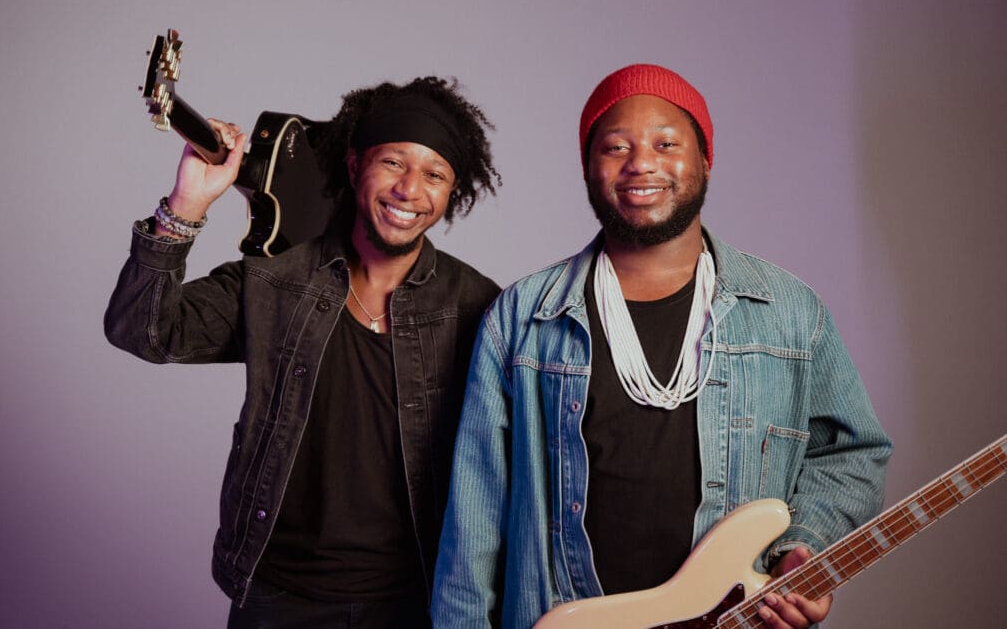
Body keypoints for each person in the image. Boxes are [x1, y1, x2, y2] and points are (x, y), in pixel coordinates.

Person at [431, 64, 893, 629]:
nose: (641, 163)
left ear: (705, 159)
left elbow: (851, 452)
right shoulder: (523, 316)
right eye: (615, 146)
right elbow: (474, 514)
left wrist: (801, 552)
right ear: (587, 168)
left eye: (666, 143)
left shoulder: (789, 313)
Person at [105, 76, 502, 628]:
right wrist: (187, 204)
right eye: (392, 163)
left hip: (418, 599)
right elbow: (143, 331)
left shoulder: (480, 306)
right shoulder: (276, 281)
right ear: (354, 164)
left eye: (433, 174)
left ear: (451, 192)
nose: (410, 189)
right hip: (277, 596)